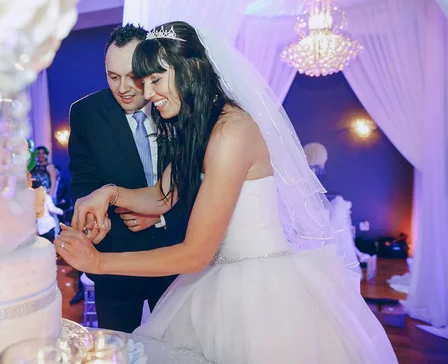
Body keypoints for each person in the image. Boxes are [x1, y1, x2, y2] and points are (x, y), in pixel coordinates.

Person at [56, 21, 397, 363]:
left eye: (155, 81)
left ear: (192, 69)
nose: (147, 94)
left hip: (260, 291)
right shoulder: (198, 126)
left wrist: (98, 261)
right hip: (218, 279)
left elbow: (195, 254)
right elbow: (162, 196)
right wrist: (110, 192)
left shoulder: (230, 132)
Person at [66, 24, 189, 331]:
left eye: (133, 76)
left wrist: (159, 216)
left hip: (178, 259)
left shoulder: (177, 106)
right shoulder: (86, 114)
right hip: (116, 262)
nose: (123, 88)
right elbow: (84, 182)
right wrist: (96, 220)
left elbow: (201, 183)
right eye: (113, 76)